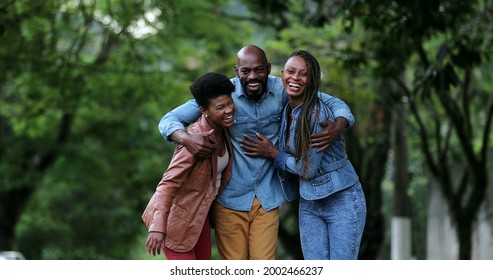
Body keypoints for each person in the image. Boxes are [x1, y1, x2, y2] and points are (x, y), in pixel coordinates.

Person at [158, 45, 355, 260]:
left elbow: (333, 102)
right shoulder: (223, 96)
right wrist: (186, 138)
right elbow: (168, 120)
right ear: (236, 71)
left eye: (259, 70)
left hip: (268, 198)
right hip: (230, 199)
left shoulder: (283, 89)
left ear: (269, 69)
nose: (253, 76)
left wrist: (339, 125)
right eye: (246, 71)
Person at [241, 50, 367, 260]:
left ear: (312, 80)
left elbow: (306, 169)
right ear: (281, 74)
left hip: (342, 198)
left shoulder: (317, 114)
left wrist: (273, 153)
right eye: (290, 71)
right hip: (310, 200)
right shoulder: (287, 107)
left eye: (303, 74)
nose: (295, 78)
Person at [142, 72, 235, 260]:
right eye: (220, 107)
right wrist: (158, 226)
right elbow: (168, 183)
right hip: (175, 222)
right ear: (203, 110)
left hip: (198, 219)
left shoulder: (223, 130)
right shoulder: (195, 140)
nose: (228, 110)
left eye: (230, 103)